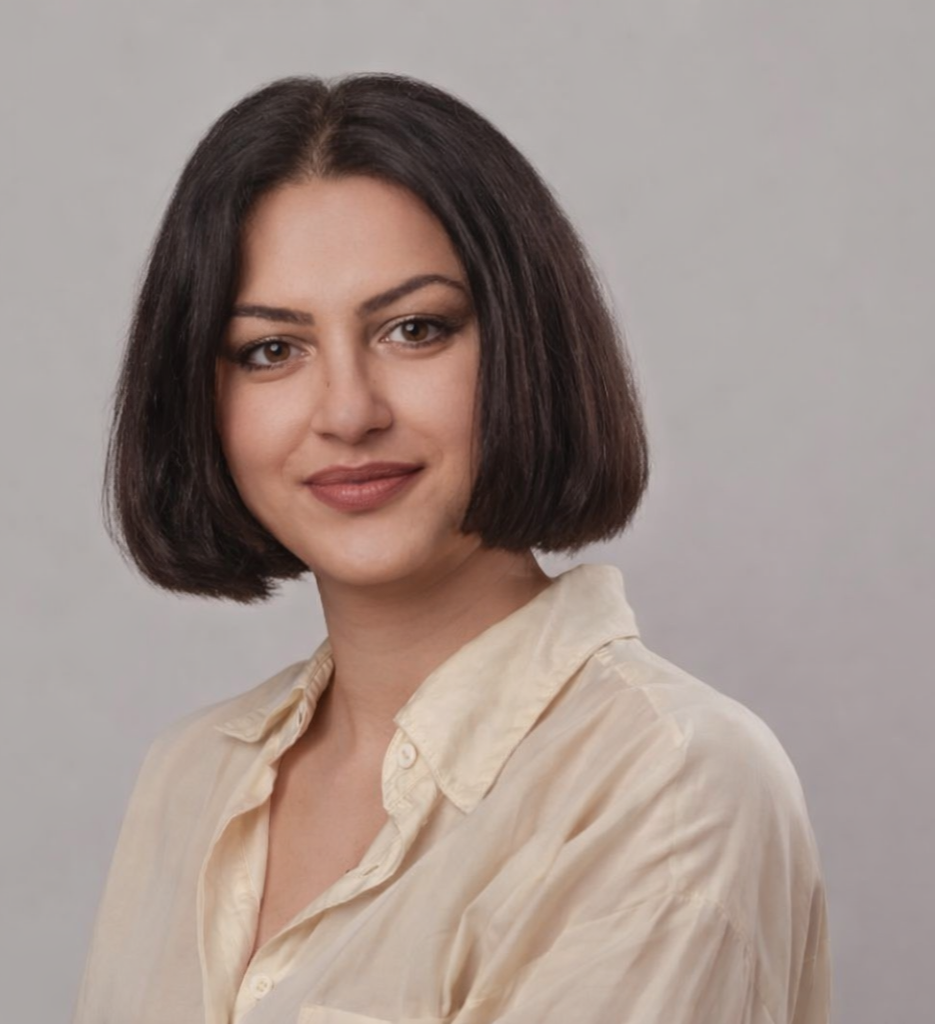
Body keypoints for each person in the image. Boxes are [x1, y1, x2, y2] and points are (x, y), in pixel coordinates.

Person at [72, 72, 831, 1024]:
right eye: (271, 350)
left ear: (525, 347)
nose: (348, 411)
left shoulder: (670, 782)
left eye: (415, 330)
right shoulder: (189, 777)